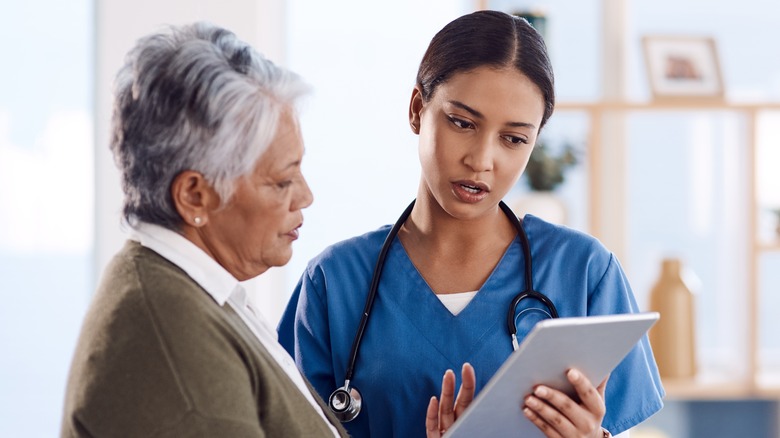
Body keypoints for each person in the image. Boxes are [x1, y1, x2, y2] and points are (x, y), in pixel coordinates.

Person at [278, 10, 664, 438]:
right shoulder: (335, 282)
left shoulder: (585, 272)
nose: (481, 160)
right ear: (416, 109)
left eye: (514, 139)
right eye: (462, 123)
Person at [60, 22, 348, 437]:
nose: (305, 196)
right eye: (282, 181)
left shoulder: (193, 293)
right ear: (195, 196)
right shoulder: (171, 348)